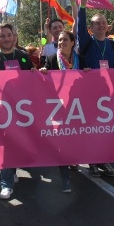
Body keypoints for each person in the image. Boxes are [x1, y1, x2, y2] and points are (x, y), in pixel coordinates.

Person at [0, 22, 35, 200]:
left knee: (17, 143)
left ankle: (11, 169)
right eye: (2, 36)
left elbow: (31, 79)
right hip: (1, 110)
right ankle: (6, 184)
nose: (6, 39)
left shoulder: (22, 56)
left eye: (8, 35)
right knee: (5, 145)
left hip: (21, 110)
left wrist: (37, 72)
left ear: (14, 37)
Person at [77, 0, 114, 178]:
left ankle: (104, 160)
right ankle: (93, 162)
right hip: (90, 93)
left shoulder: (113, 44)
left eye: (104, 23)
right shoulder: (87, 41)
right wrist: (82, 5)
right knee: (92, 129)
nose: (101, 26)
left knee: (106, 129)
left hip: (108, 93)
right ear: (92, 28)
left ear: (108, 26)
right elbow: (79, 28)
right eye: (97, 24)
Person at [39, 30, 80, 193]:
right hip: (58, 107)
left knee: (75, 139)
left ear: (72, 43)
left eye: (65, 40)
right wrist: (43, 73)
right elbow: (44, 82)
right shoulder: (50, 59)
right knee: (62, 141)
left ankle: (74, 161)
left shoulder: (80, 60)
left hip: (77, 107)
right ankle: (66, 179)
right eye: (59, 40)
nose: (61, 43)